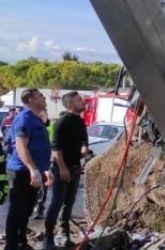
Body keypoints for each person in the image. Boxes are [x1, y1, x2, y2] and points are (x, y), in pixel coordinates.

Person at [5, 88, 52, 250]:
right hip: (21, 171)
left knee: (26, 210)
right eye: (40, 96)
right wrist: (33, 169)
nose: (44, 97)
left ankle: (21, 242)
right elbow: (21, 146)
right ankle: (12, 245)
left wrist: (44, 169)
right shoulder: (24, 118)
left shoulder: (36, 119)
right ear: (31, 99)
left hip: (33, 171)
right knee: (17, 210)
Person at [43, 92, 88, 250]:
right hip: (62, 168)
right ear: (69, 104)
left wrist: (84, 148)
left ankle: (64, 233)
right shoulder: (62, 122)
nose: (83, 102)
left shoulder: (80, 122)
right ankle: (48, 238)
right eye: (78, 100)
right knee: (57, 202)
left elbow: (84, 141)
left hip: (75, 168)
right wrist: (62, 168)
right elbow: (56, 148)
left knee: (69, 203)